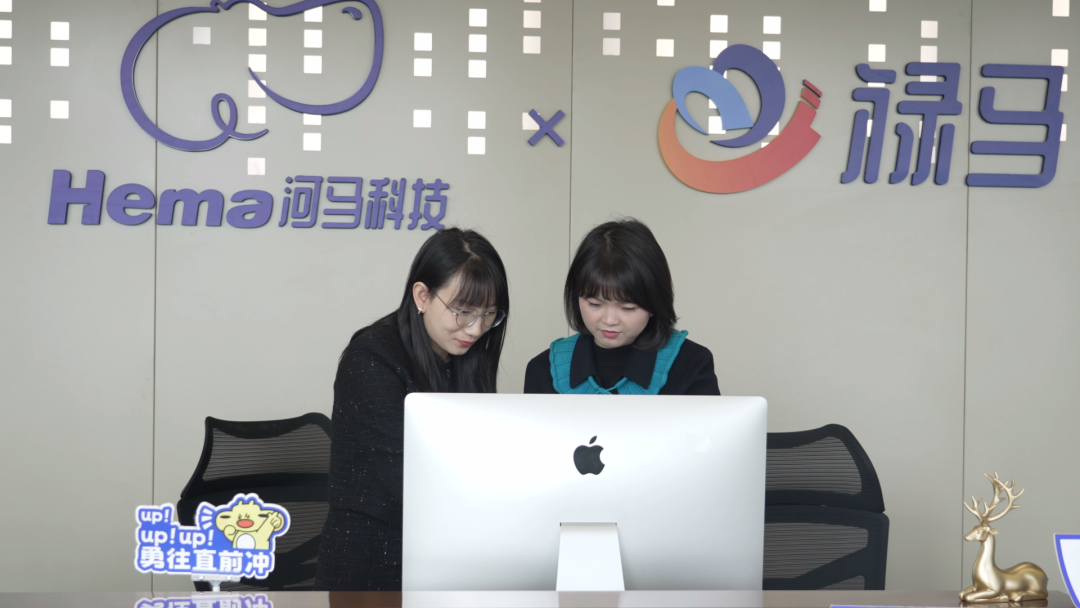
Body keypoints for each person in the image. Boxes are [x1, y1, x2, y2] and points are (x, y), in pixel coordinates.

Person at [315, 228, 509, 591]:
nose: (476, 329)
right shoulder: (371, 357)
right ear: (422, 296)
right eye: (463, 312)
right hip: (372, 565)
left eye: (489, 315)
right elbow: (407, 477)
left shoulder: (465, 357)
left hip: (446, 555)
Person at [524, 219, 719, 395]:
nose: (609, 320)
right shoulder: (542, 369)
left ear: (655, 302)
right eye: (594, 304)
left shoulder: (691, 363)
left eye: (628, 308)